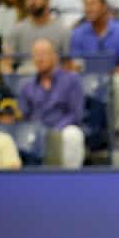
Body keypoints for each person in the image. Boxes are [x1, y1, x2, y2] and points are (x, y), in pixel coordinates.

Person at [69, 0, 119, 119]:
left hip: (113, 76)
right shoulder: (78, 33)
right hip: (86, 77)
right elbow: (75, 64)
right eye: (85, 4)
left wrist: (109, 74)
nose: (88, 9)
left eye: (92, 4)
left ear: (104, 6)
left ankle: (107, 124)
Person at [19, 39, 86, 168]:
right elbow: (25, 116)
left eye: (43, 54)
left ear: (55, 57)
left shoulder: (72, 80)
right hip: (37, 131)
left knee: (73, 134)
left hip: (63, 128)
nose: (39, 59)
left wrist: (55, 130)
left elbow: (76, 113)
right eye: (36, 55)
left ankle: (71, 176)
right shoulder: (26, 86)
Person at [3, 0, 70, 74]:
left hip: (55, 77)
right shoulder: (16, 29)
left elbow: (67, 63)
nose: (32, 1)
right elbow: (6, 62)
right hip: (25, 76)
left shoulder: (63, 30)